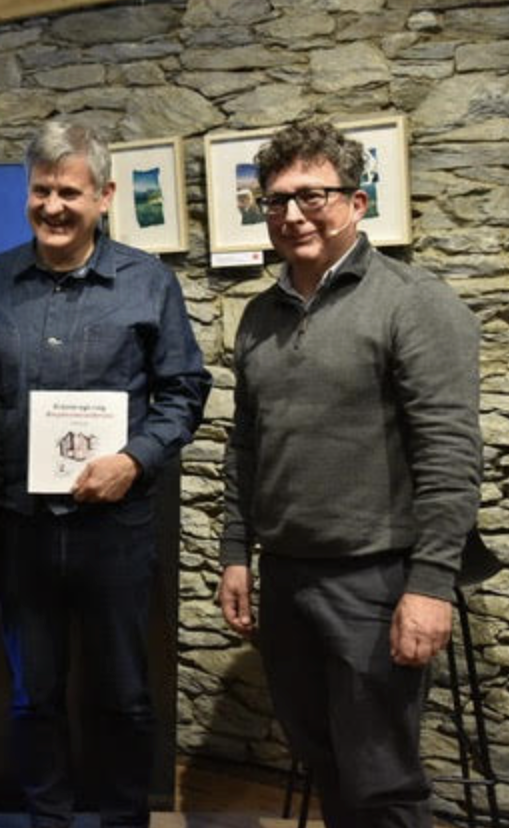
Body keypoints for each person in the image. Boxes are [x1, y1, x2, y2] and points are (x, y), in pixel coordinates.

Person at [217, 120, 482, 828]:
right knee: (322, 758)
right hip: (288, 578)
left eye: (313, 196)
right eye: (276, 200)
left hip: (374, 581)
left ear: (357, 204)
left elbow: (451, 454)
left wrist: (430, 587)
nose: (293, 215)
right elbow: (247, 444)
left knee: (382, 784)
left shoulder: (414, 302)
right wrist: (236, 553)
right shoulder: (256, 316)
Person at [0, 119, 210, 828]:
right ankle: (49, 819)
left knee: (124, 696)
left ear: (103, 196)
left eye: (68, 192)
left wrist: (134, 459)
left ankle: (124, 818)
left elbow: (184, 391)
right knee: (31, 696)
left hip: (116, 528)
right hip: (21, 528)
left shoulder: (147, 282)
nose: (53, 206)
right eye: (40, 191)